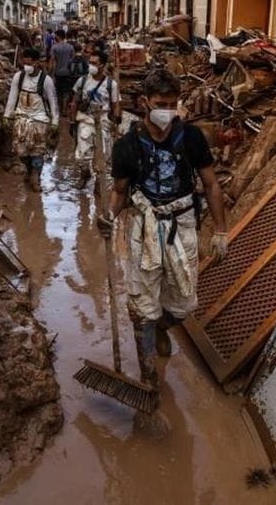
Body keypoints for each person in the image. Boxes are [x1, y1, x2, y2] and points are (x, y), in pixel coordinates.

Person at [96, 68, 228, 390]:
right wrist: (109, 215)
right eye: (160, 103)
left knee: (184, 303)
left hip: (182, 223)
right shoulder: (127, 145)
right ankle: (148, 377)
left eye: (172, 104)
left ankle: (160, 327)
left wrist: (221, 231)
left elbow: (211, 185)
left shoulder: (191, 138)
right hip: (144, 225)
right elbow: (119, 192)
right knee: (142, 304)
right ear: (145, 102)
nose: (167, 110)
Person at [3, 47, 59, 192]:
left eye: (29, 63)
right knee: (21, 152)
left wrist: (55, 122)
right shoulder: (19, 77)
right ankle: (29, 170)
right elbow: (12, 96)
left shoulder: (46, 81)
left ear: (36, 62)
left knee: (38, 151)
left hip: (40, 121)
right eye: (24, 64)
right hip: (21, 119)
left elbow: (53, 102)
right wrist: (7, 116)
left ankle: (36, 177)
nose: (26, 66)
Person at [70, 50, 121, 188]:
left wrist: (116, 120)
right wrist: (72, 121)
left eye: (94, 63)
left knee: (103, 154)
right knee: (82, 153)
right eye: (90, 62)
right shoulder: (82, 81)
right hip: (86, 119)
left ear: (102, 65)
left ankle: (99, 182)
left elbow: (115, 105)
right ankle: (84, 174)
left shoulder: (111, 84)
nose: (90, 65)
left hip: (104, 121)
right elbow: (75, 102)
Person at [49, 29, 76, 107]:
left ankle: (59, 107)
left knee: (58, 91)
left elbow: (52, 60)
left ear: (58, 36)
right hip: (68, 72)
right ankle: (64, 108)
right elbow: (73, 59)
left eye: (56, 35)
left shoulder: (54, 47)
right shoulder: (70, 47)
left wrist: (49, 72)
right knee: (66, 91)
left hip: (58, 72)